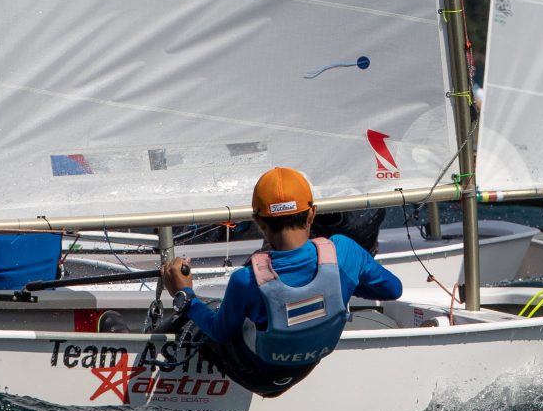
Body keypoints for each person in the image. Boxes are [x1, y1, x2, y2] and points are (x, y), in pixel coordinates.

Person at [159, 166, 402, 397]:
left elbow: (219, 332)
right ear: (312, 214)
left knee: (199, 314)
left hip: (255, 374)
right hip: (305, 367)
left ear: (259, 222)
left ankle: (150, 359)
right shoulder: (344, 251)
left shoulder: (246, 279)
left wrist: (184, 295)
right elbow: (393, 289)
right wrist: (341, 286)